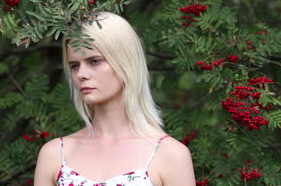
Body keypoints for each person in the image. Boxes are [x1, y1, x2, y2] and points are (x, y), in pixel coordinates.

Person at [34, 12, 195, 186]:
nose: (81, 74)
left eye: (94, 61)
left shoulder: (170, 155)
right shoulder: (55, 154)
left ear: (125, 62)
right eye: (74, 65)